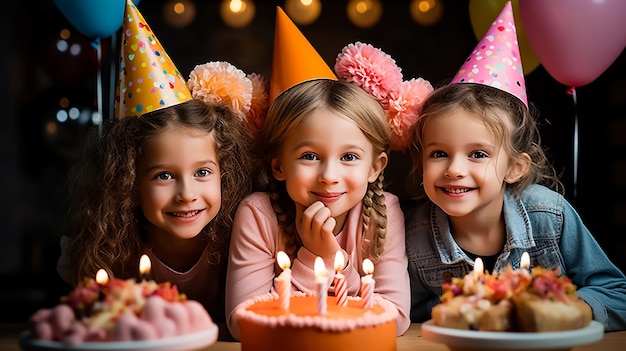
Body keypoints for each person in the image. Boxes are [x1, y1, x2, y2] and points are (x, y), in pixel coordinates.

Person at [403, 1, 626, 332]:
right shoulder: (416, 235)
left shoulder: (550, 216)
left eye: (478, 154)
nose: (454, 169)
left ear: (515, 167)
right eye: (439, 154)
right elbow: (412, 310)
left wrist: (567, 310)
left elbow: (616, 294)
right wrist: (466, 308)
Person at [56, 1, 266, 333]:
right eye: (164, 175)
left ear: (224, 172)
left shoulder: (242, 241)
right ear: (129, 183)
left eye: (202, 172)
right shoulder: (106, 249)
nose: (186, 194)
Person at [225, 8, 432, 340]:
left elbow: (396, 317)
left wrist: (329, 257)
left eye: (349, 156)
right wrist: (316, 257)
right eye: (310, 156)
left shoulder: (382, 213)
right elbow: (242, 323)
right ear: (278, 164)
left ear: (375, 167)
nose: (329, 175)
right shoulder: (258, 215)